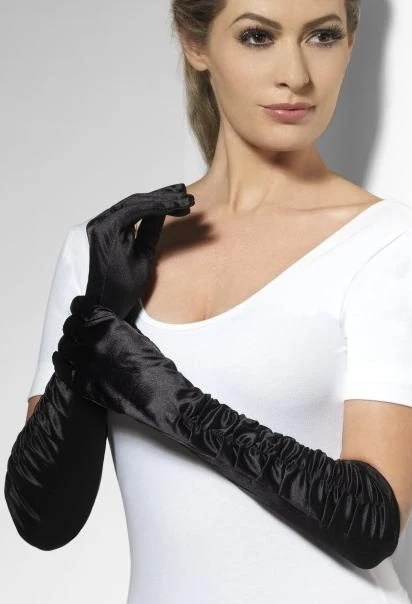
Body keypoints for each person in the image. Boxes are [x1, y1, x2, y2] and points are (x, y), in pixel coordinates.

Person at [16, 0, 412, 601]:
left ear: (351, 44)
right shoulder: (109, 247)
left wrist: (166, 397)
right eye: (257, 37)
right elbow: (43, 519)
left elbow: (371, 521)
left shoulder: (388, 244)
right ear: (195, 43)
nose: (296, 75)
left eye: (322, 36)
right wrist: (90, 336)